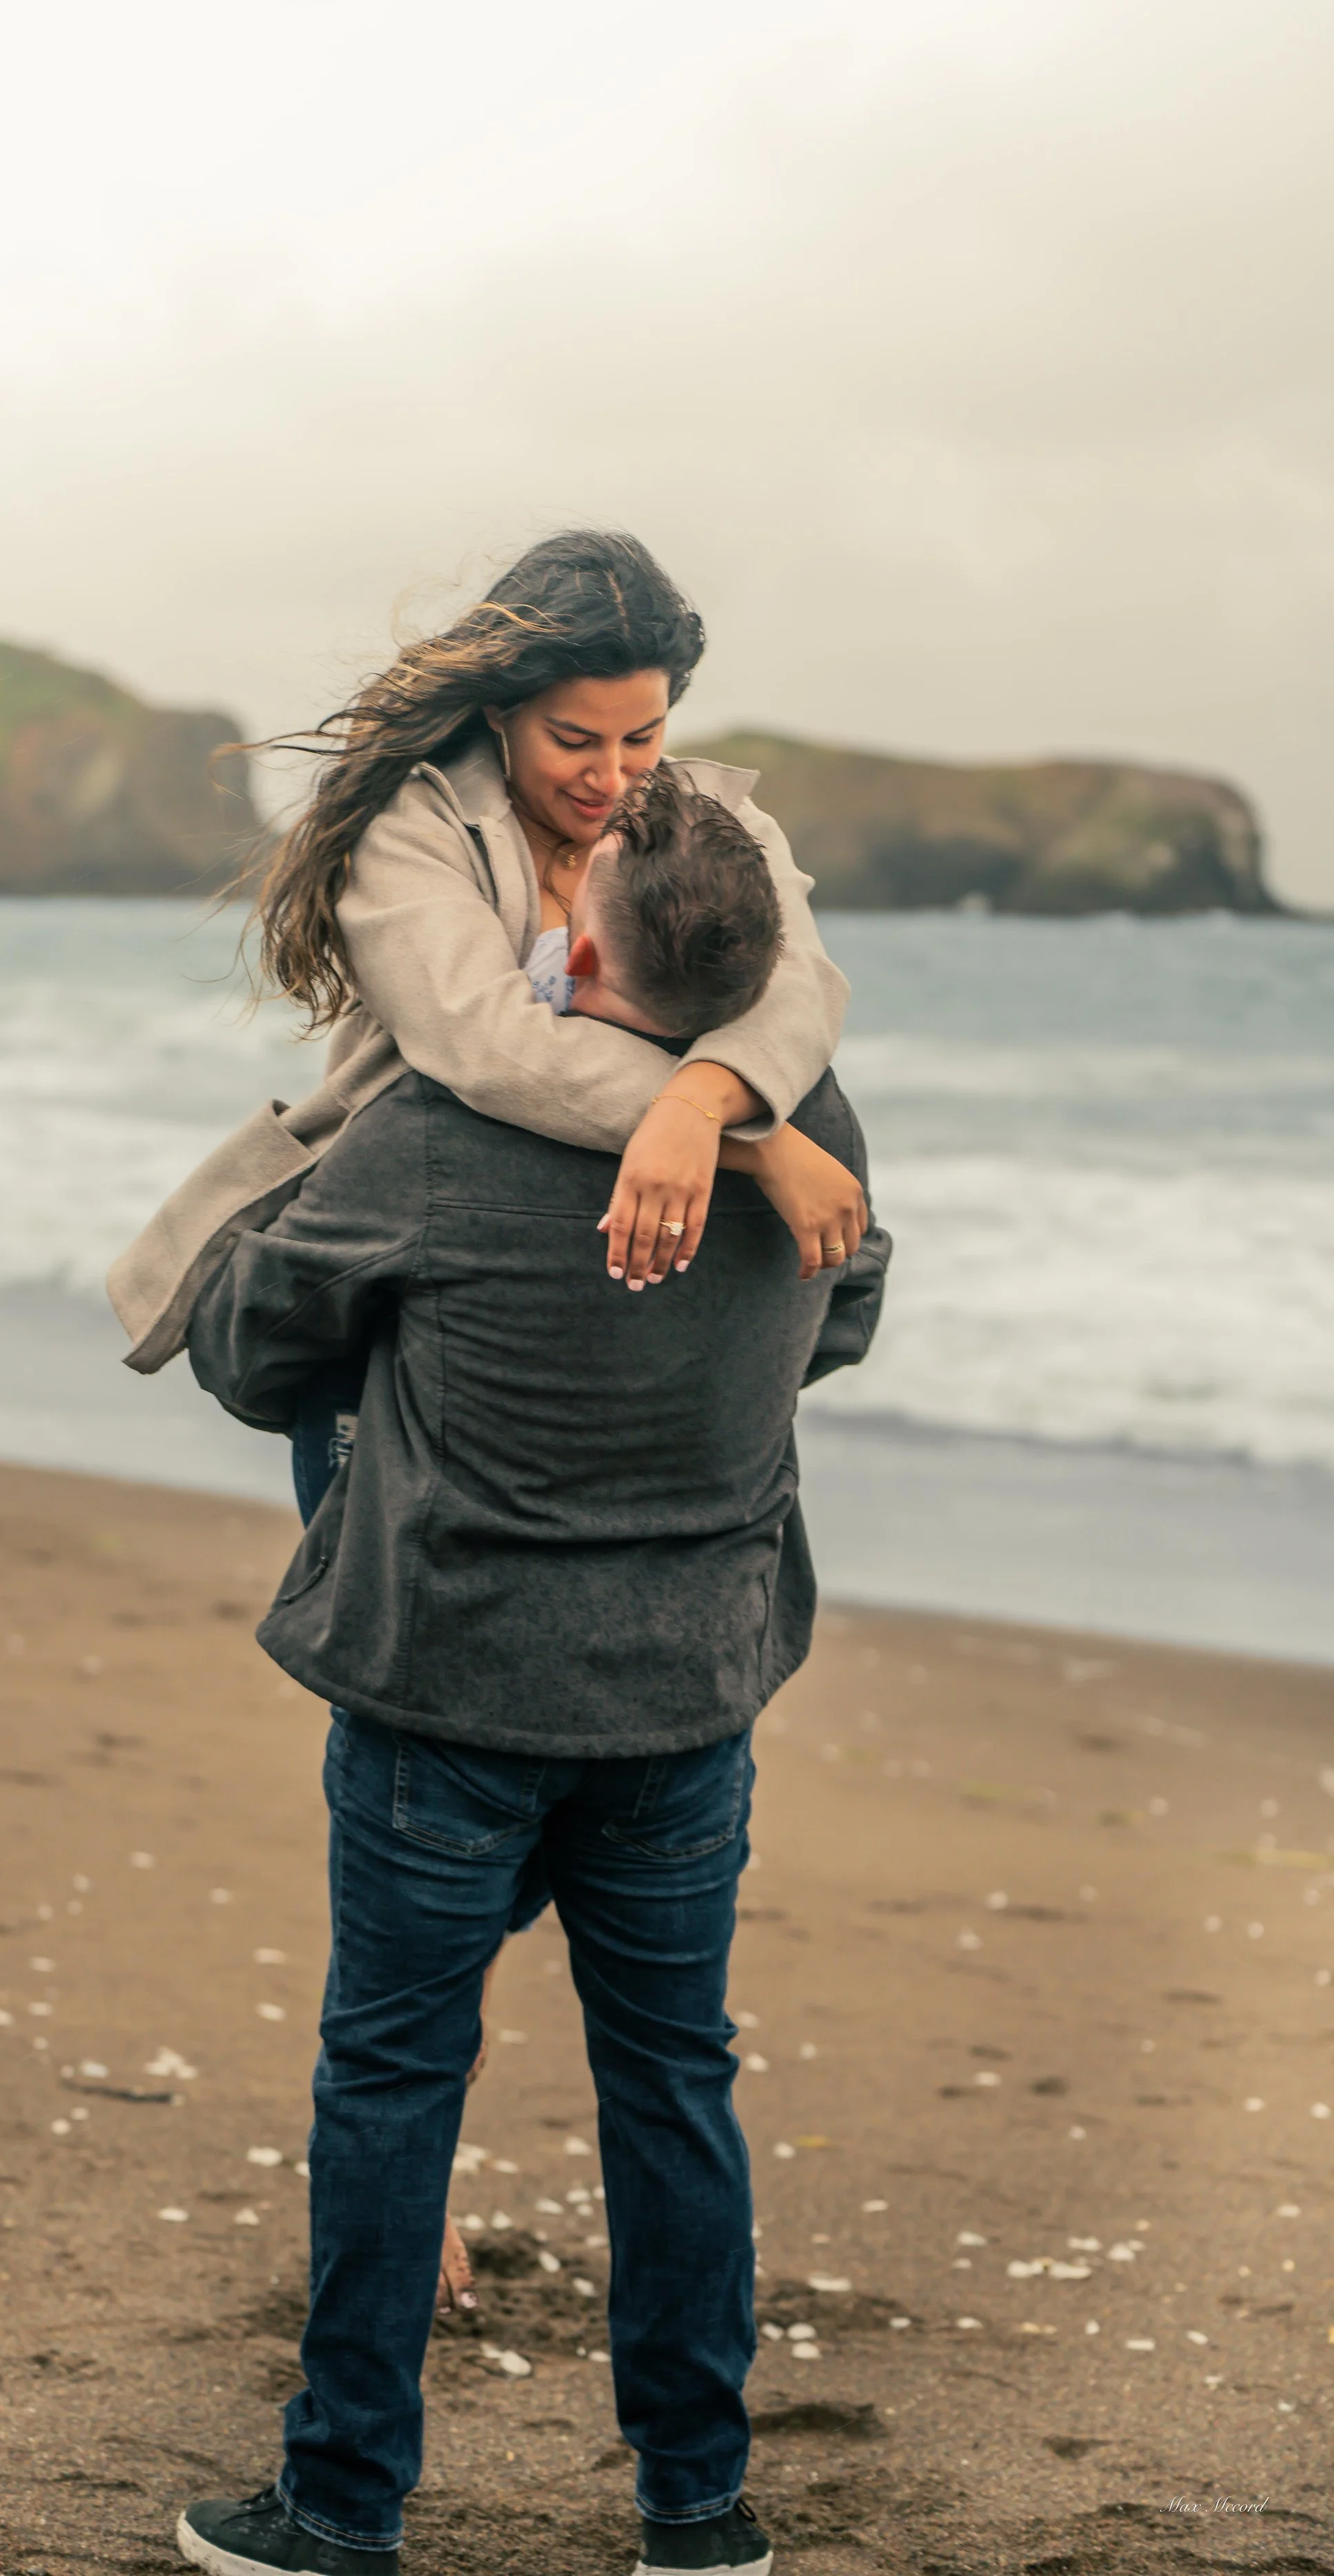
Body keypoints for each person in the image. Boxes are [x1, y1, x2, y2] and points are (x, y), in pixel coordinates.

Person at [173, 886, 888, 2575]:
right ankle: (698, 2515)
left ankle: (340, 2506)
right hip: (686, 1696)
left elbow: (245, 1342)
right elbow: (839, 1313)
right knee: (670, 2084)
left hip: (454, 1687)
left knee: (394, 2078)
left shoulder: (441, 1120)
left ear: (593, 948)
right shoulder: (811, 1122)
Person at [107, 529, 868, 1394]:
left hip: (620, 1322)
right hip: (411, 1261)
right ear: (501, 711)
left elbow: (799, 984)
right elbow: (484, 1040)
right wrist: (749, 1143)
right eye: (574, 739)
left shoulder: (713, 823)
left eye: (643, 737)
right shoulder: (413, 829)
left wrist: (699, 1103)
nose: (612, 777)